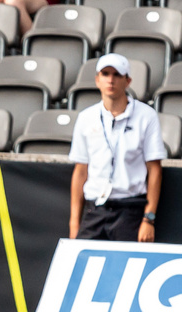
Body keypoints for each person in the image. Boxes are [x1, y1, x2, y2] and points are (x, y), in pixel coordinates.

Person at [69, 53, 164, 242]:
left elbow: (155, 170)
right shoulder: (86, 118)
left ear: (127, 81)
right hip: (95, 209)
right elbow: (80, 171)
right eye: (105, 74)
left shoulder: (147, 116)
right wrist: (74, 223)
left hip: (130, 211)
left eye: (117, 75)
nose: (110, 80)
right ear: (97, 80)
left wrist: (149, 219)